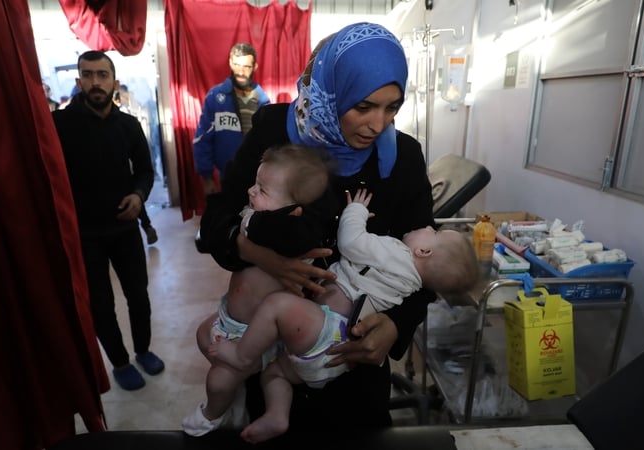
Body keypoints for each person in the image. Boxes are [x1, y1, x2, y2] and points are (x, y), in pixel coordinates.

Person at [195, 22, 438, 444]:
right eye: (363, 106)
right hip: (267, 350)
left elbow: (426, 260)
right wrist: (260, 255)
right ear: (329, 85)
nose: (378, 124)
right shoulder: (274, 130)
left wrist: (395, 327)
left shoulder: (403, 160)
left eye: (392, 107)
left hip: (350, 363)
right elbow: (214, 222)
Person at [209, 188, 479, 443]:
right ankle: (277, 416)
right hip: (334, 355)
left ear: (424, 251)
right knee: (276, 374)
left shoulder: (395, 254)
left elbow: (351, 241)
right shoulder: (412, 283)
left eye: (435, 232)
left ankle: (241, 356)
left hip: (323, 328)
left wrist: (357, 211)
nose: (429, 226)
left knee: (276, 305)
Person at [184, 143, 335, 436]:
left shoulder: (289, 231)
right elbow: (212, 228)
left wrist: (251, 222)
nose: (251, 191)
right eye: (255, 184)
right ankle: (272, 411)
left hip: (253, 334)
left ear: (294, 210)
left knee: (219, 381)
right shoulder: (267, 214)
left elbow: (289, 235)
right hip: (234, 321)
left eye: (262, 190)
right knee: (206, 336)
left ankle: (213, 416)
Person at [52, 50, 164, 391]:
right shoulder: (59, 126)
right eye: (88, 75)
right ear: (78, 81)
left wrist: (139, 195)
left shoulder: (129, 125)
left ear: (114, 83)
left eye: (102, 75)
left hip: (125, 227)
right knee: (101, 304)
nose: (95, 82)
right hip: (84, 233)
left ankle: (143, 350)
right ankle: (118, 361)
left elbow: (145, 172)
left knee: (138, 296)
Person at [193, 42, 271, 196]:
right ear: (230, 63)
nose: (241, 72)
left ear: (255, 66)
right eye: (236, 65)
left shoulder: (263, 101)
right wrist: (207, 178)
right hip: (226, 177)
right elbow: (202, 139)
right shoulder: (215, 98)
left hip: (257, 178)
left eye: (246, 67)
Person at [114, 86, 159, 245]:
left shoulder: (126, 121)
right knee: (134, 202)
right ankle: (147, 227)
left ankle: (147, 227)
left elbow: (144, 168)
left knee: (134, 201)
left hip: (128, 174)